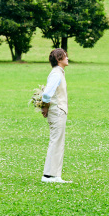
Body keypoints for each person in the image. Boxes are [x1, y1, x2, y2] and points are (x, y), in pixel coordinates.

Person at [41, 48, 72, 183]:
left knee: (58, 142)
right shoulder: (56, 74)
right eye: (65, 56)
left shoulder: (58, 73)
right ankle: (49, 175)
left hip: (58, 110)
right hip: (57, 111)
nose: (67, 58)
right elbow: (47, 94)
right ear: (59, 59)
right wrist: (45, 106)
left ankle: (54, 175)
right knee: (56, 142)